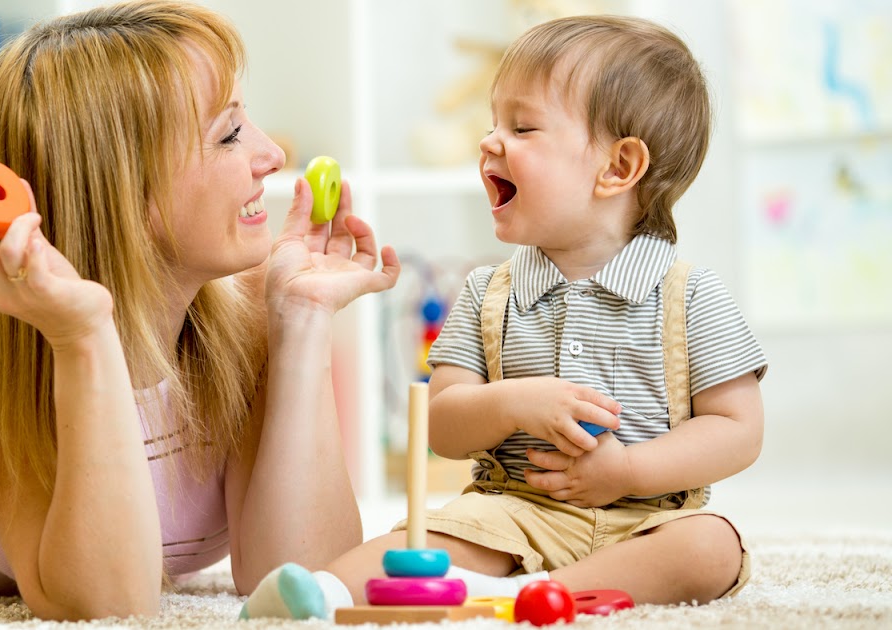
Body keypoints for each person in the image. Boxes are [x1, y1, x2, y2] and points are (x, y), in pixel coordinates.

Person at [0, 0, 400, 621]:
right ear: (124, 193)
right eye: (229, 134)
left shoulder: (250, 308)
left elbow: (298, 572)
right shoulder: (2, 375)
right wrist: (83, 335)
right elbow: (108, 606)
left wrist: (301, 320)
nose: (272, 154)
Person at [241, 15, 767, 620]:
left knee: (713, 547)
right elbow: (442, 427)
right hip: (508, 516)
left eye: (521, 127)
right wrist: (515, 403)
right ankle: (324, 593)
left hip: (643, 519)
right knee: (413, 544)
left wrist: (628, 471)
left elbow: (738, 429)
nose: (489, 142)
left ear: (618, 168)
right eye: (492, 124)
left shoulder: (691, 296)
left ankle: (528, 595)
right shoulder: (488, 293)